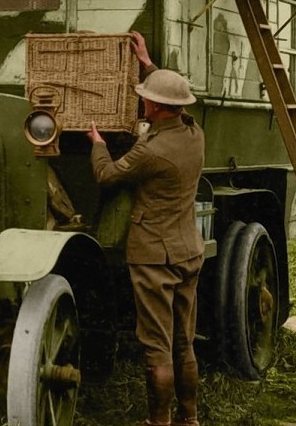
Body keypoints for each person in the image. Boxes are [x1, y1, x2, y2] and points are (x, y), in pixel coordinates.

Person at [88, 31, 204, 426]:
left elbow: (106, 176)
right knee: (184, 342)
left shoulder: (150, 151)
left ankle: (159, 422)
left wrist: (97, 142)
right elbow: (180, 106)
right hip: (188, 249)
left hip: (154, 256)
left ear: (153, 106)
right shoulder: (194, 134)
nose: (142, 100)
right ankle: (188, 419)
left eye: (146, 97)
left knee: (156, 346)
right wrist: (149, 64)